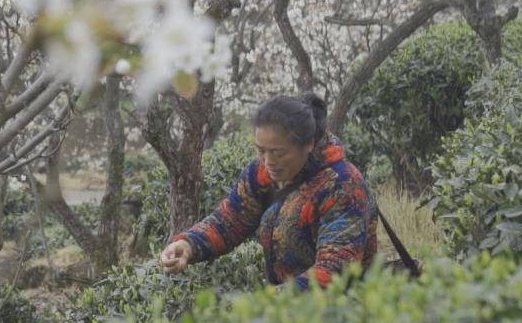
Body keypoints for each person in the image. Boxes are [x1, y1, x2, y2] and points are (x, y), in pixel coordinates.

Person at [158, 94, 378, 290]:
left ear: (308, 144)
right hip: (283, 311)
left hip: (341, 315)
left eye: (278, 153)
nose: (268, 161)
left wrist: (267, 304)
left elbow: (334, 271)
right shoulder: (262, 174)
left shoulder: (342, 186)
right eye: (261, 151)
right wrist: (188, 244)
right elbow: (229, 221)